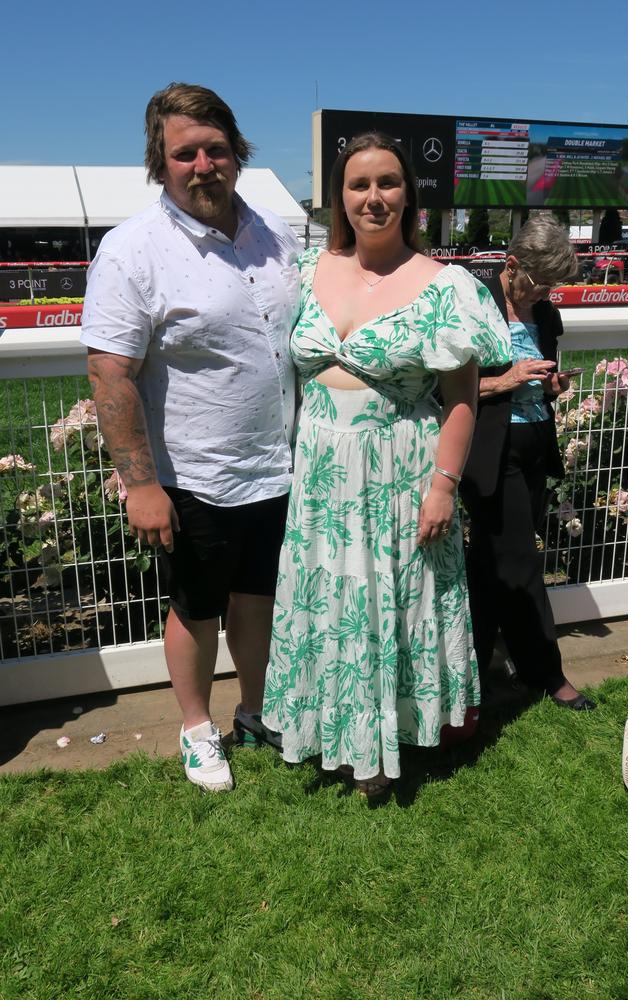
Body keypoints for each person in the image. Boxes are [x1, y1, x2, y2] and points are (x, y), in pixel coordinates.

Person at [261, 133, 510, 796]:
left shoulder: (443, 285)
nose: (374, 198)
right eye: (359, 184)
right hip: (320, 472)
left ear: (410, 195)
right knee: (331, 600)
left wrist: (442, 487)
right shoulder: (308, 269)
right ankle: (329, 733)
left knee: (385, 603)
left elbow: (461, 398)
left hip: (399, 467)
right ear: (339, 198)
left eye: (388, 184)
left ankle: (375, 747)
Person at [80, 83, 301, 791]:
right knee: (196, 609)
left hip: (279, 467)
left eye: (216, 148)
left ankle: (257, 711)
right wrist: (141, 483)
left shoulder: (275, 232)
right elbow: (110, 372)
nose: (203, 164)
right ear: (161, 162)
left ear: (236, 152)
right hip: (193, 475)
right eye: (185, 153)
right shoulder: (130, 250)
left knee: (259, 601)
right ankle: (197, 728)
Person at [460, 216, 596, 710]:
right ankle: (546, 672)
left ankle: (469, 672)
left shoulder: (546, 315)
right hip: (491, 451)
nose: (545, 295)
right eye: (540, 285)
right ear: (511, 264)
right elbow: (444, 388)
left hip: (536, 444)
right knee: (519, 562)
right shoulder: (474, 306)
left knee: (488, 566)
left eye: (553, 287)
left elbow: (539, 379)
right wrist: (506, 380)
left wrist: (550, 386)